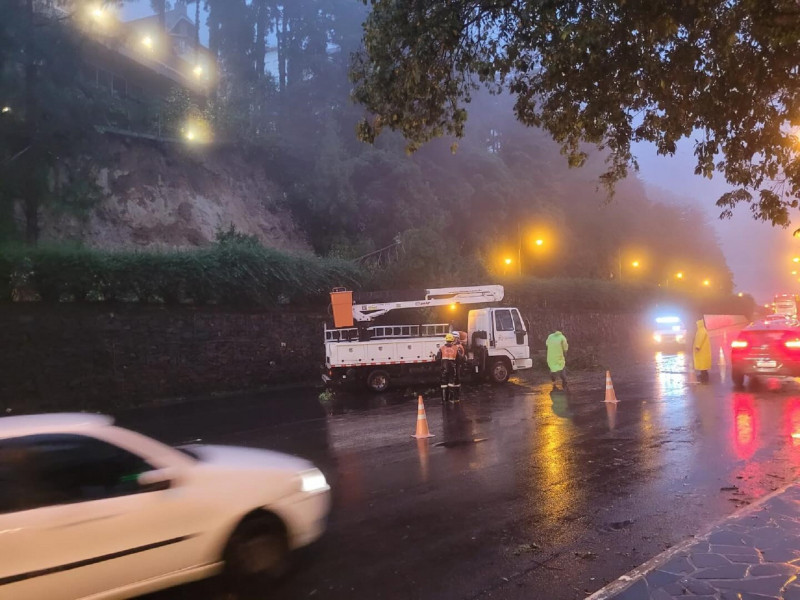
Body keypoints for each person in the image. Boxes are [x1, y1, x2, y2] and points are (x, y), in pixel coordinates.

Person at [436, 333, 464, 402]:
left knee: (443, 385)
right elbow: (460, 358)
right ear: (452, 340)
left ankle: (444, 400)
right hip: (452, 368)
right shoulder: (455, 348)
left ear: (446, 340)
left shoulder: (441, 348)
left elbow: (438, 359)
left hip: (444, 369)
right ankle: (451, 399)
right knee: (451, 383)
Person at [693, 318, 712, 383]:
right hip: (704, 352)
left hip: (702, 352)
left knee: (703, 367)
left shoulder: (701, 331)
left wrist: (697, 346)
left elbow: (699, 339)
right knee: (704, 367)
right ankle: (704, 378)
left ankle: (704, 380)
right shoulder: (702, 330)